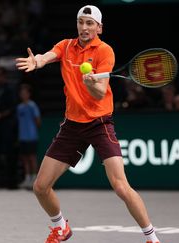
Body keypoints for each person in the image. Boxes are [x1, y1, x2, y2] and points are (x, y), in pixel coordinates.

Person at [16, 5, 161, 243]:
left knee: (121, 187)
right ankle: (61, 227)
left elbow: (99, 92)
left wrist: (90, 82)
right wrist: (39, 61)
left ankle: (152, 238)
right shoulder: (66, 45)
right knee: (40, 186)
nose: (84, 27)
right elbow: (48, 56)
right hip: (72, 126)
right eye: (81, 22)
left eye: (90, 23)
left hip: (99, 124)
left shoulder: (105, 52)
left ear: (99, 28)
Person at [16, 83, 41, 189]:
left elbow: (38, 121)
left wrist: (32, 130)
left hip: (31, 136)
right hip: (22, 137)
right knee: (25, 158)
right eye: (21, 93)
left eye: (25, 93)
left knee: (32, 158)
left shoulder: (32, 105)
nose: (23, 95)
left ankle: (35, 179)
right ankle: (27, 179)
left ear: (29, 94)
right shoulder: (19, 107)